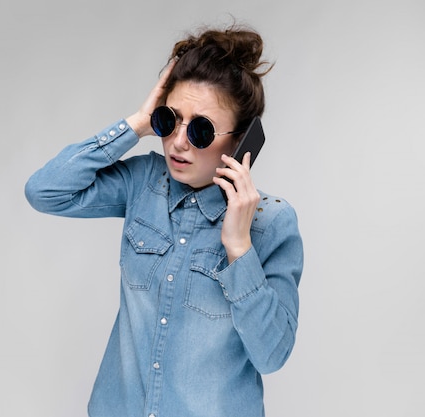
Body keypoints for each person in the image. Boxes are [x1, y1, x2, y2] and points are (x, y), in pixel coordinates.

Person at [25, 24, 304, 417]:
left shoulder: (270, 222)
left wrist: (239, 248)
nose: (178, 141)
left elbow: (272, 354)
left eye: (202, 129)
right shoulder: (142, 182)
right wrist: (137, 124)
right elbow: (45, 191)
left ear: (241, 141)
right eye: (169, 119)